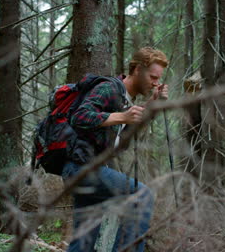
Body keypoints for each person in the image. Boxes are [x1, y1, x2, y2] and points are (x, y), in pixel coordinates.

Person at [62, 47, 169, 252]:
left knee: (83, 242)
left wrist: (152, 104)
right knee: (141, 196)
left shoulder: (124, 99)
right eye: (153, 77)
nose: (156, 82)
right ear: (137, 69)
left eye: (159, 79)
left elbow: (124, 142)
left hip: (86, 170)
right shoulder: (110, 88)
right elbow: (79, 117)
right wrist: (122, 117)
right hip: (82, 168)